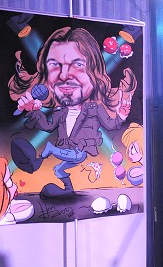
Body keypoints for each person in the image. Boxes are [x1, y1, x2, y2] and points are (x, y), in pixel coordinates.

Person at [8, 26, 136, 198]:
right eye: (54, 64)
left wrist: (121, 115)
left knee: (52, 148)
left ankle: (41, 158)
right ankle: (67, 189)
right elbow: (47, 126)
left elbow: (111, 124)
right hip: (68, 152)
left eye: (78, 64)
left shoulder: (94, 109)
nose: (64, 75)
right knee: (58, 170)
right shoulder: (60, 112)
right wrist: (32, 111)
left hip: (78, 153)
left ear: (95, 73)